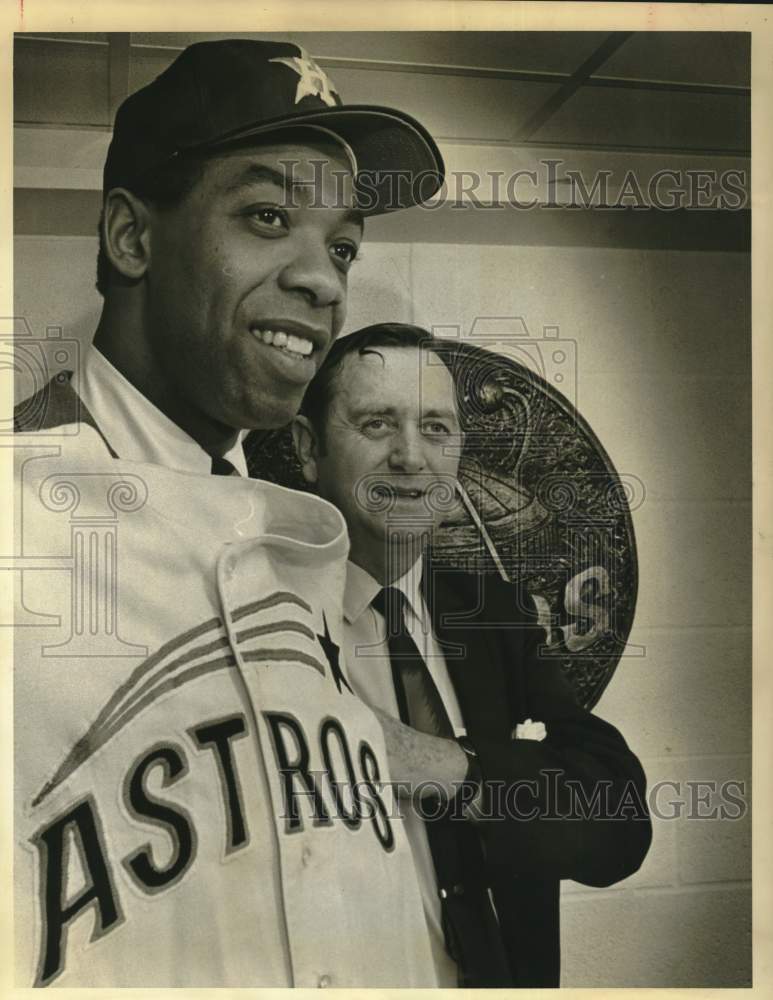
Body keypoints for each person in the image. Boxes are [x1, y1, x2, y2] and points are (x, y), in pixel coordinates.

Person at [13, 42, 446, 988]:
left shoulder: (311, 534)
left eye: (341, 246)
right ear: (133, 239)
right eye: (265, 217)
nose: (325, 281)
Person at [292, 322, 653, 987]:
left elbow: (617, 832)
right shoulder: (260, 620)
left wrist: (446, 768)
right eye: (377, 424)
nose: (410, 457)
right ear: (309, 448)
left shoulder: (497, 613)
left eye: (436, 429)